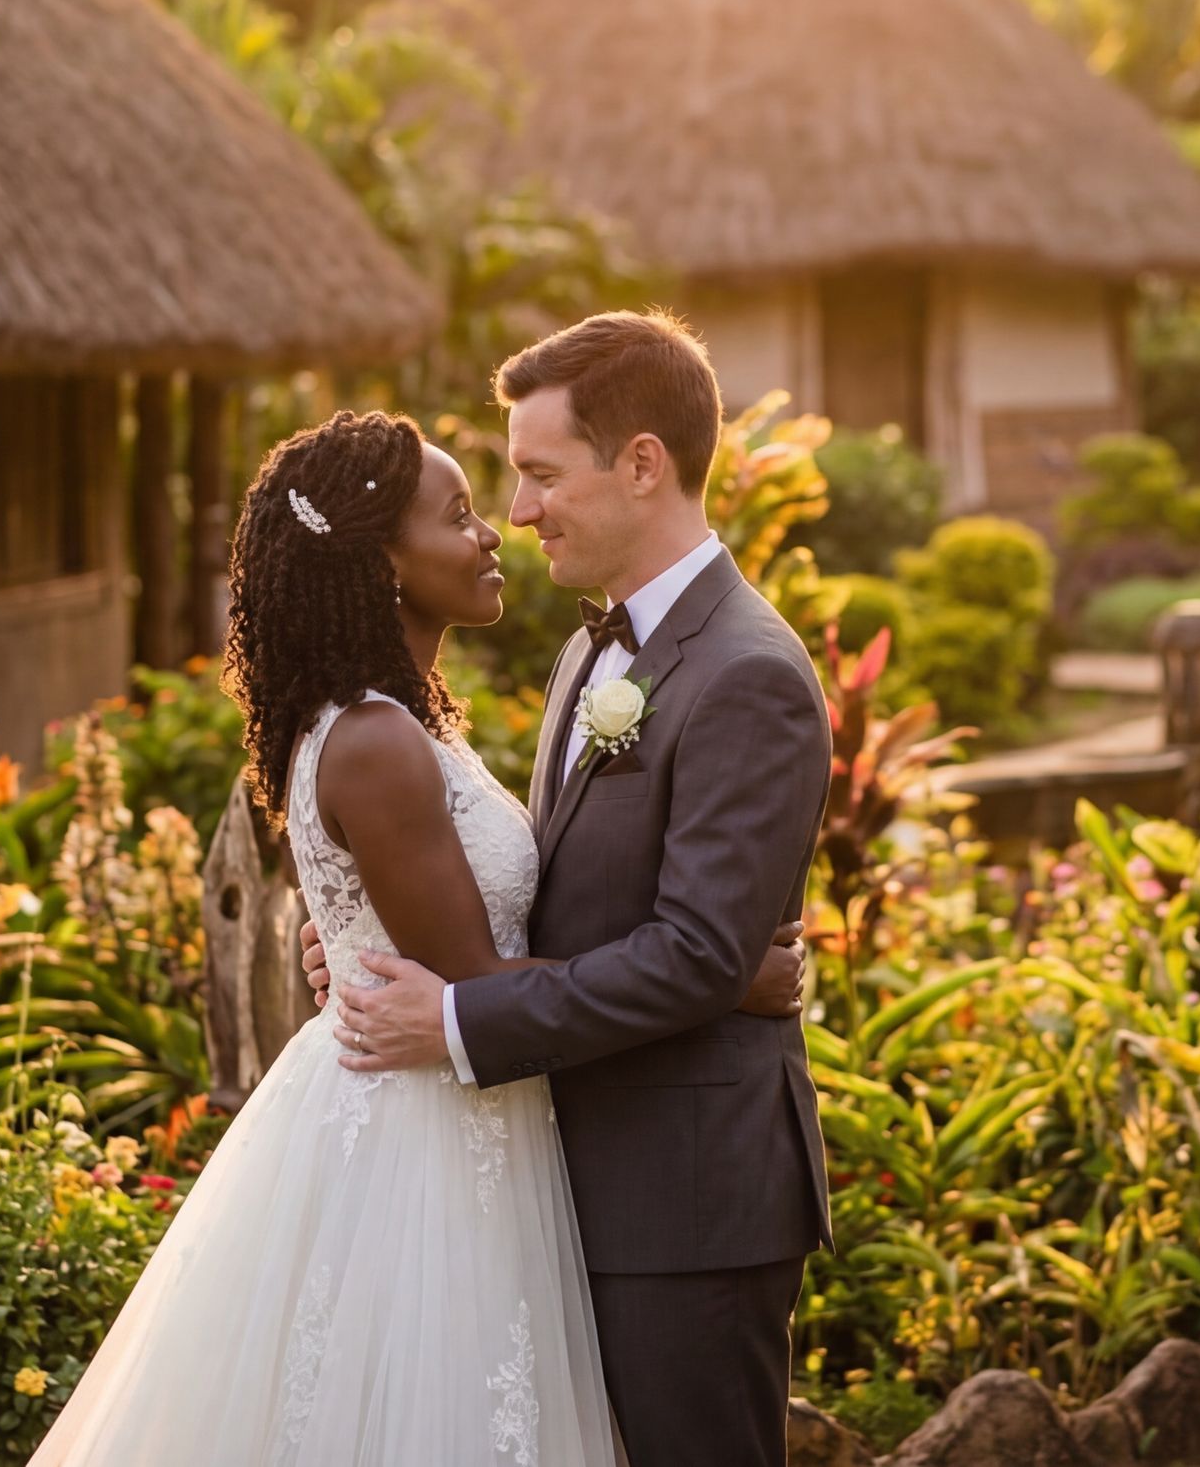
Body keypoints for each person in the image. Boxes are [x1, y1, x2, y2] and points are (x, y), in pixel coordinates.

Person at [26, 404, 806, 1465]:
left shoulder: (408, 719)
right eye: (462, 515)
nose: (494, 531)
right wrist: (722, 979)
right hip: (430, 1141)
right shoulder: (379, 739)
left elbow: (449, 933)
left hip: (478, 1113)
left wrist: (343, 942)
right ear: (381, 565)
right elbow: (472, 979)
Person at [312, 310, 835, 1467]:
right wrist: (377, 941)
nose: (519, 512)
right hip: (562, 1180)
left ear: (641, 463)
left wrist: (450, 1017)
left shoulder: (748, 675)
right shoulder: (592, 650)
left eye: (542, 474)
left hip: (684, 1201)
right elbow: (605, 913)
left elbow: (693, 954)